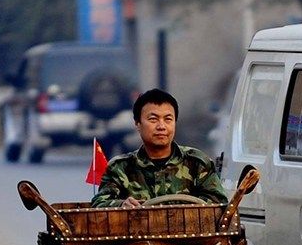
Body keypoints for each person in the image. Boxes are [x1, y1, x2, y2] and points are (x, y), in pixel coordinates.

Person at [90, 88, 228, 208]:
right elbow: (99, 204)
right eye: (153, 119)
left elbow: (219, 203)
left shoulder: (197, 163)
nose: (161, 126)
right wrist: (121, 205)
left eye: (168, 119)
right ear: (138, 124)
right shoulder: (120, 168)